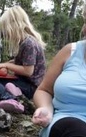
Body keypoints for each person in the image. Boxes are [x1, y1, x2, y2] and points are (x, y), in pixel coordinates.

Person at [31, 3, 86, 137]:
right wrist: (46, 109)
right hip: (65, 122)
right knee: (75, 129)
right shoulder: (70, 51)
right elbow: (44, 90)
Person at [0, 6, 46, 113]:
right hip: (24, 82)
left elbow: (28, 71)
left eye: (5, 30)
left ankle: (10, 98)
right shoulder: (24, 42)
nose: (5, 34)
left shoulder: (29, 43)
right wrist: (4, 64)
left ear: (14, 26)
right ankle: (14, 91)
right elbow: (19, 62)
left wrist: (7, 66)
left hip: (31, 88)